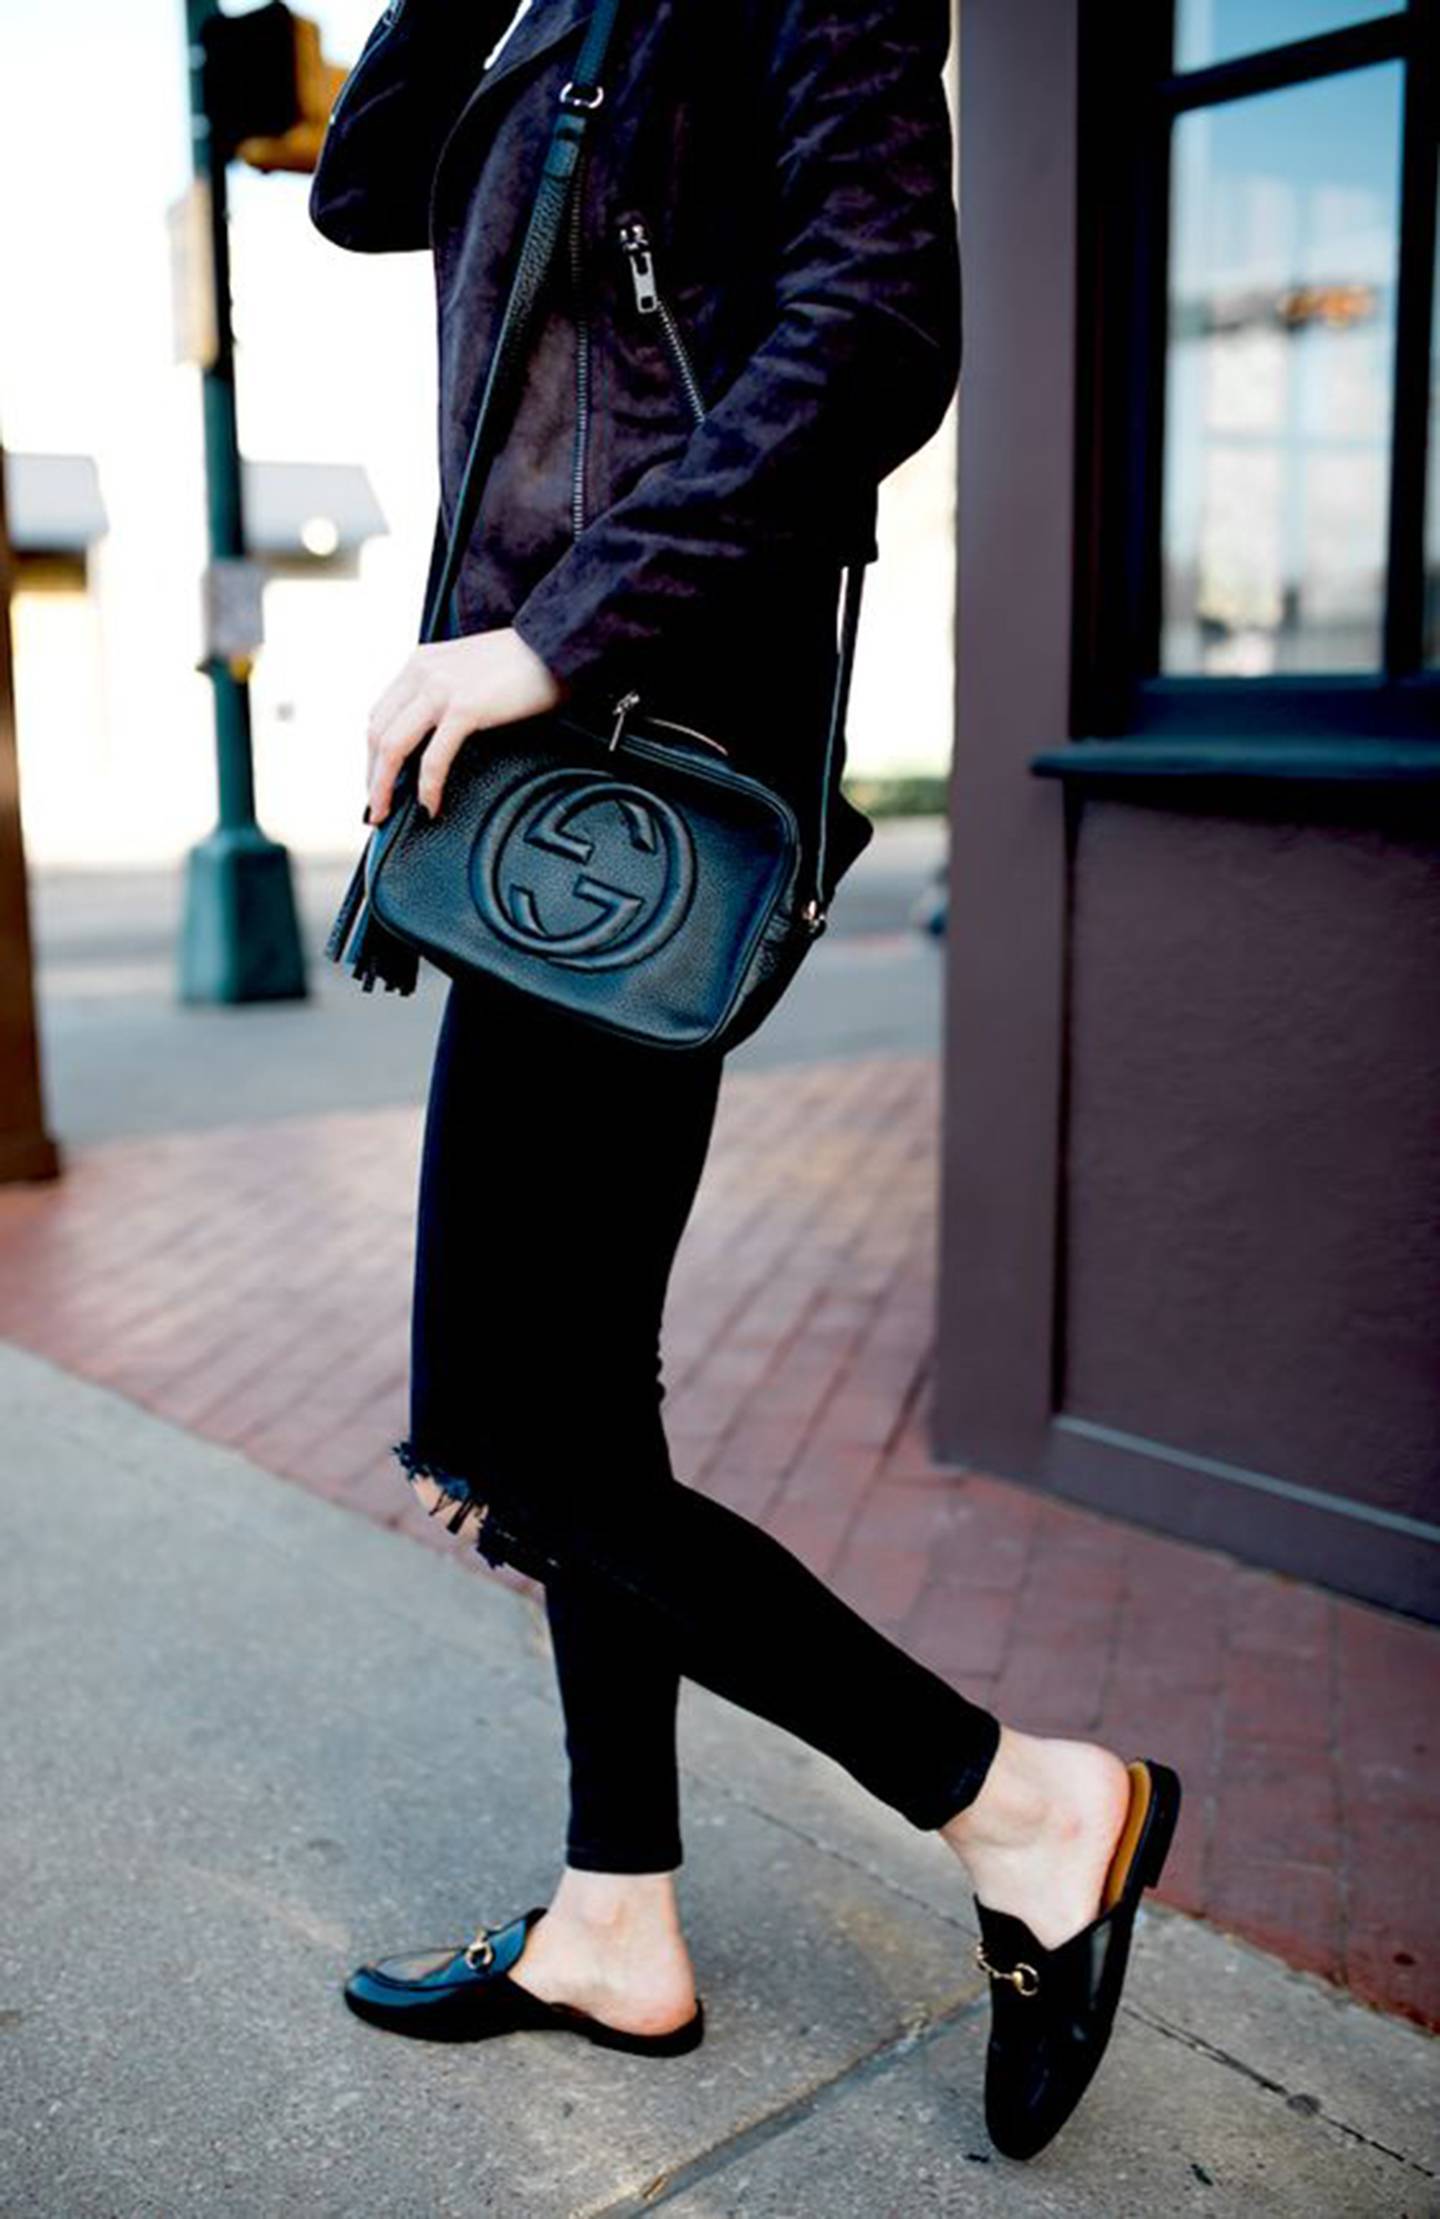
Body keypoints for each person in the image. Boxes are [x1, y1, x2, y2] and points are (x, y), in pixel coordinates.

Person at [308, 0, 1181, 2162]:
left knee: (510, 1432)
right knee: (569, 1405)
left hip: (632, 767)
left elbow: (879, 323)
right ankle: (617, 1918)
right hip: (552, 788)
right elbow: (362, 184)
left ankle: (1024, 1803)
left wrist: (558, 631)